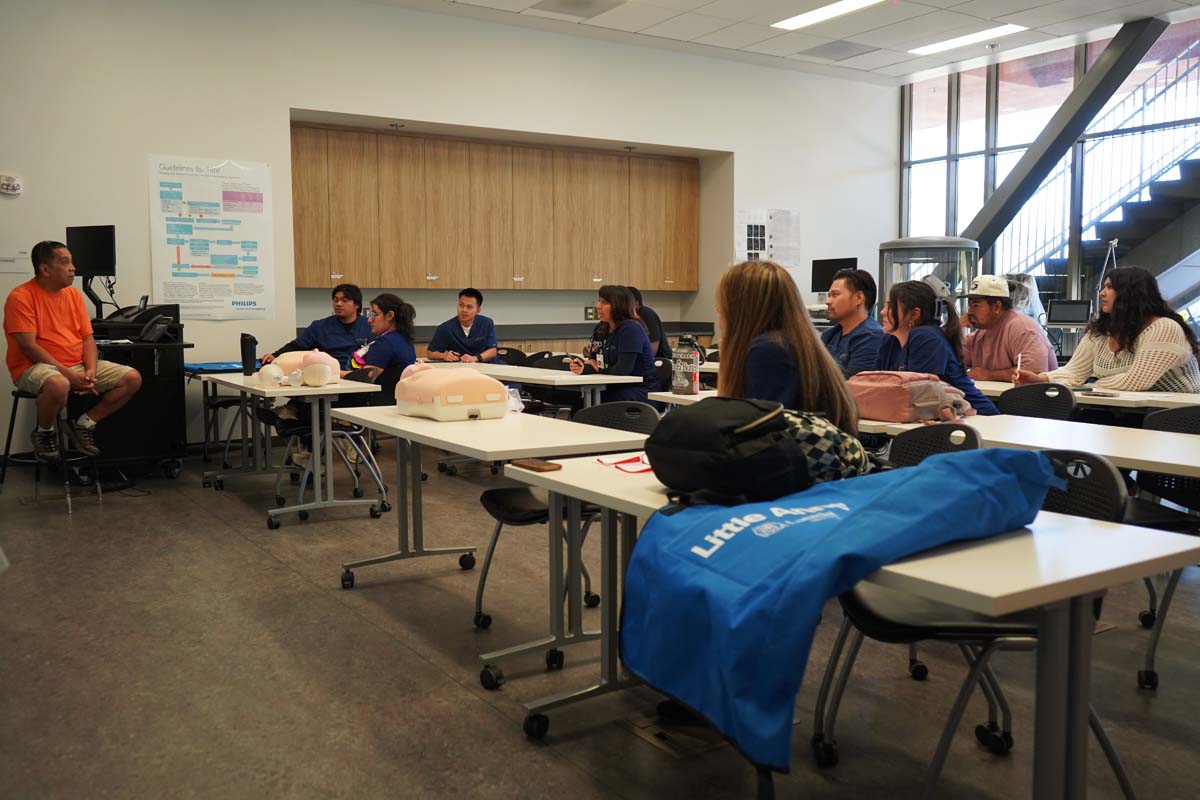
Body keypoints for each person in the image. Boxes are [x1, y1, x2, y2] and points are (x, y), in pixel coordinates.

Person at [4, 240, 143, 461]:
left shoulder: (74, 295)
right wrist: (68, 375)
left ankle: (84, 424)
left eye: (72, 262)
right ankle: (44, 433)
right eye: (65, 262)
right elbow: (29, 347)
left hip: (74, 365)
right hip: (33, 367)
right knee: (59, 384)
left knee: (131, 378)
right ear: (45, 269)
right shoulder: (20, 297)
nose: (73, 268)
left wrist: (90, 371)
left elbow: (88, 339)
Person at [716, 260, 859, 436]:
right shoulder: (790, 342)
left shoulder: (769, 350)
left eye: (724, 303)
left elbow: (759, 436)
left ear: (742, 308)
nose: (718, 309)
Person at [1014, 266, 1200, 393]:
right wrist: (1041, 379)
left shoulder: (1164, 328)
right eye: (1104, 286)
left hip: (1176, 415)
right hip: (1123, 409)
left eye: (1110, 287)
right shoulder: (1101, 331)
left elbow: (1135, 382)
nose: (1102, 292)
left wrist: (1088, 385)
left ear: (1130, 294)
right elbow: (1074, 373)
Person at [876, 279, 998, 415]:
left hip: (977, 418)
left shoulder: (926, 336)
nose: (882, 312)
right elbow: (877, 386)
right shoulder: (890, 340)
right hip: (936, 418)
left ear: (914, 314)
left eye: (890, 306)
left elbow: (919, 396)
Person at [569, 285, 659, 402]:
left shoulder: (631, 329)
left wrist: (599, 368)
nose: (598, 306)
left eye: (605, 303)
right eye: (599, 301)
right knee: (582, 401)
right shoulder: (601, 328)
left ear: (619, 306)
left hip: (640, 390)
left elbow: (622, 370)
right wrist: (582, 368)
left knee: (592, 402)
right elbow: (593, 362)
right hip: (613, 386)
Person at [962, 274, 1056, 381]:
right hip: (995, 396)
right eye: (969, 305)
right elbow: (951, 368)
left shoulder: (1022, 329)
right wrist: (956, 326)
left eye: (975, 306)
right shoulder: (977, 336)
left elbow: (1033, 375)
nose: (969, 312)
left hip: (1028, 397)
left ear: (997, 306)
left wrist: (988, 375)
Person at [261, 283, 370, 369]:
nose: (338, 304)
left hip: (360, 377)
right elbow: (297, 345)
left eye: (344, 301)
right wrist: (275, 355)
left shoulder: (370, 326)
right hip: (328, 376)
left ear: (357, 304)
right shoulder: (320, 326)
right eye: (336, 300)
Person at [820, 268, 885, 377]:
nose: (828, 301)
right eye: (829, 295)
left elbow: (852, 385)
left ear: (859, 298)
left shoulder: (872, 337)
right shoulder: (829, 335)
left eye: (835, 295)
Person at [349, 293, 417, 378]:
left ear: (390, 315)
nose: (369, 320)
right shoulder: (406, 340)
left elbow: (366, 377)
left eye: (374, 314)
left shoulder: (384, 344)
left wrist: (338, 374)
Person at [426, 288, 498, 363]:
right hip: (460, 369)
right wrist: (444, 355)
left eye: (469, 307)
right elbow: (430, 353)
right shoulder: (446, 328)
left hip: (487, 365)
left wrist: (474, 358)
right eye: (461, 305)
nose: (463, 310)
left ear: (478, 310)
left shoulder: (486, 323)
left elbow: (492, 351)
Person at [627, 286, 671, 359]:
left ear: (636, 303)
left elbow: (652, 350)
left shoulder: (646, 314)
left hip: (660, 361)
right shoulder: (626, 319)